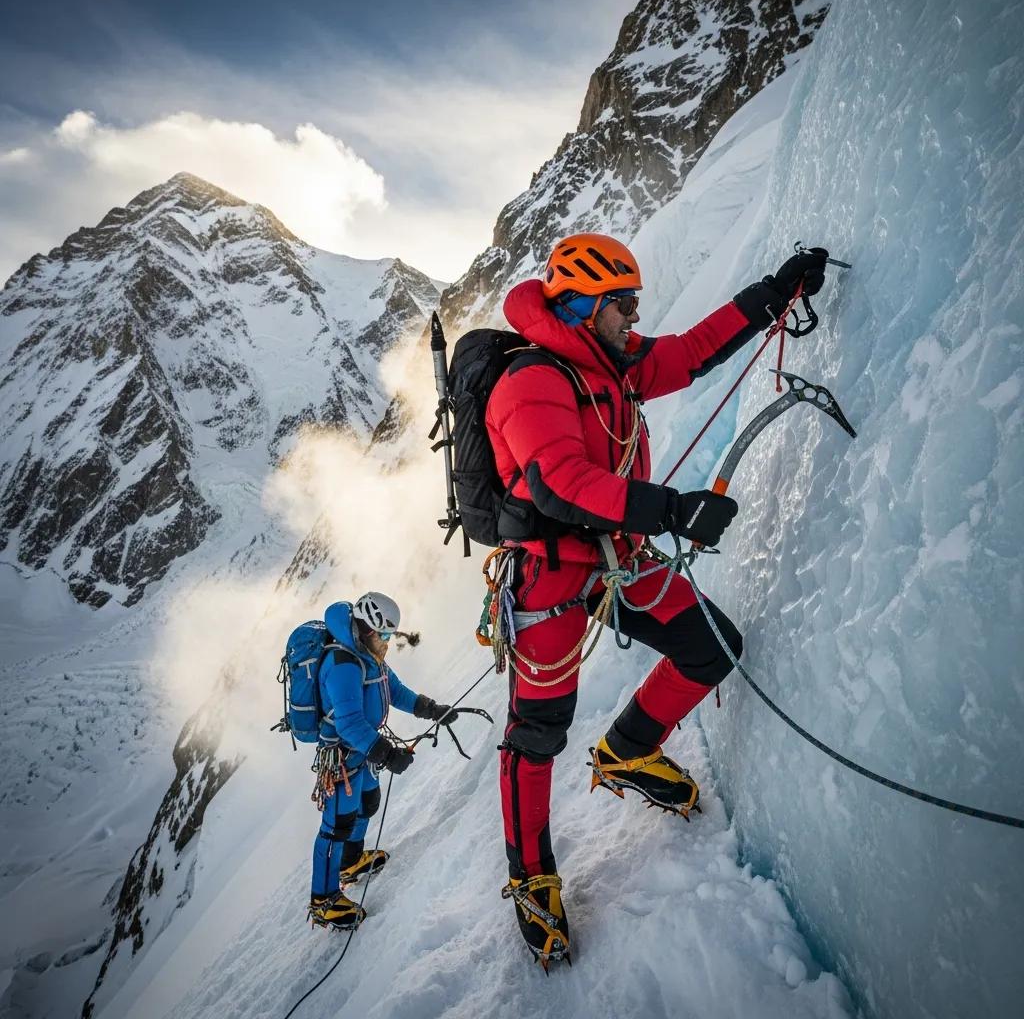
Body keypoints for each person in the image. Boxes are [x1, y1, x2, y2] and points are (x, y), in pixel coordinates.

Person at [485, 233, 830, 965]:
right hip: (552, 576)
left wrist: (775, 292)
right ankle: (531, 876)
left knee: (711, 646)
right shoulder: (531, 378)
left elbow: (691, 352)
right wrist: (673, 510)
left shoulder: (613, 363)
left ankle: (628, 750)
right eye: (623, 304)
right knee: (536, 733)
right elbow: (560, 485)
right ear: (583, 305)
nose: (634, 317)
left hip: (616, 560)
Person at [308, 591, 455, 930]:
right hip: (342, 757)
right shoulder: (343, 664)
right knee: (337, 826)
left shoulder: (368, 655)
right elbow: (348, 724)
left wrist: (431, 709)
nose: (388, 640)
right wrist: (387, 754)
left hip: (363, 751)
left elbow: (394, 691)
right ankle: (323, 900)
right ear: (370, 629)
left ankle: (350, 862)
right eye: (385, 634)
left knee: (368, 802)